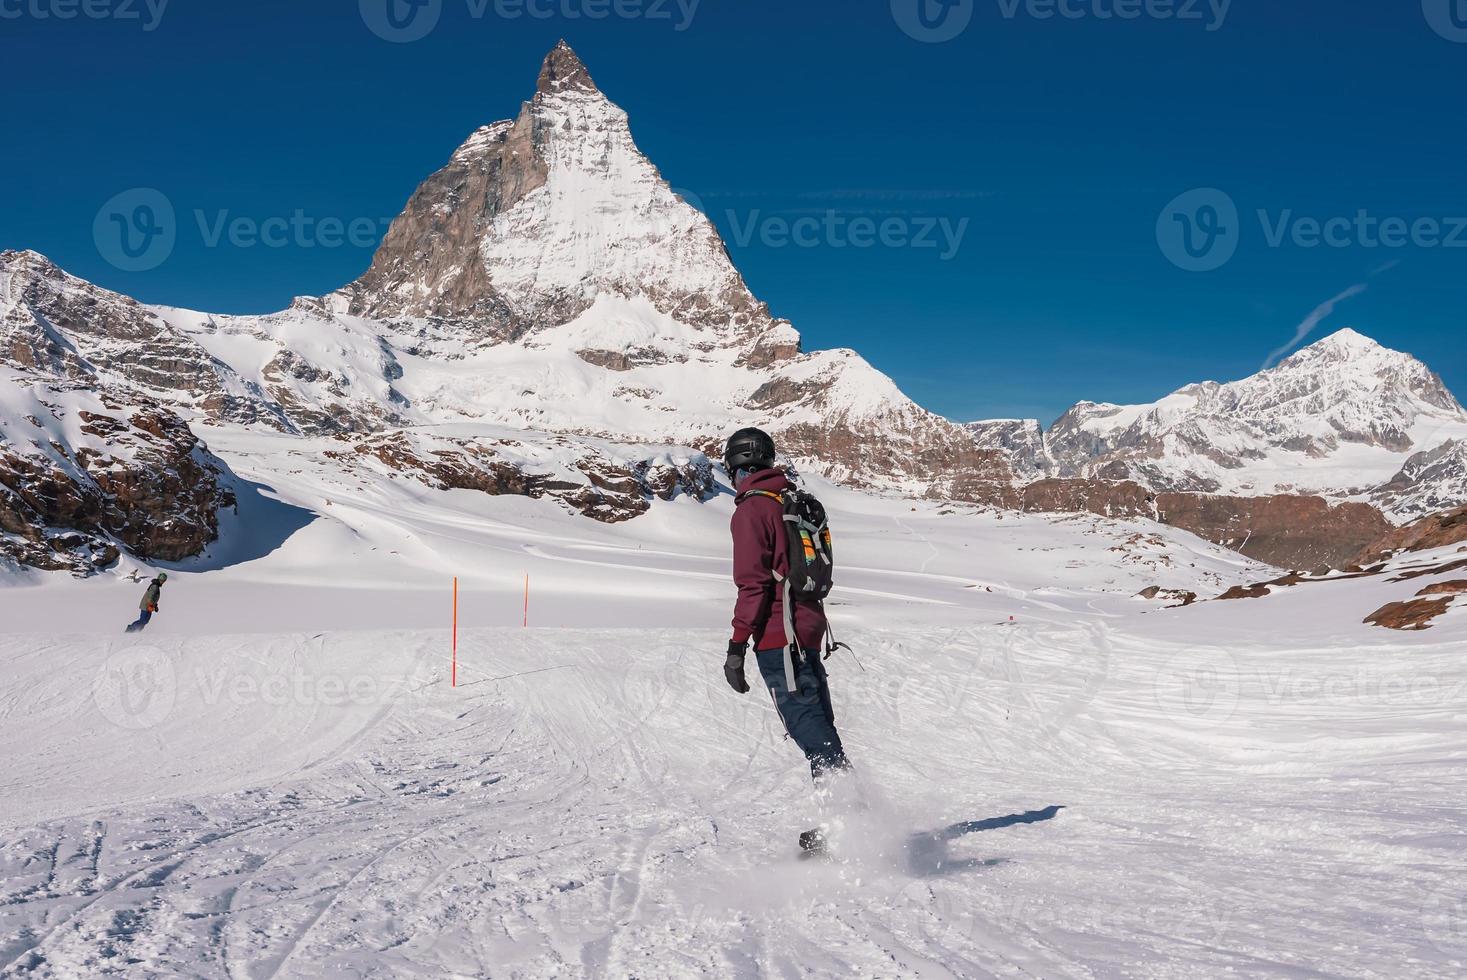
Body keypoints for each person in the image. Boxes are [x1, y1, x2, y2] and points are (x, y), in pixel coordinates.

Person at [721, 427, 850, 781]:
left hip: (781, 635)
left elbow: (753, 585)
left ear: (736, 466)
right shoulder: (788, 499)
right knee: (817, 719)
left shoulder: (753, 509)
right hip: (808, 627)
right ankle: (841, 815)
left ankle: (849, 812)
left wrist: (737, 646)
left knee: (805, 721)